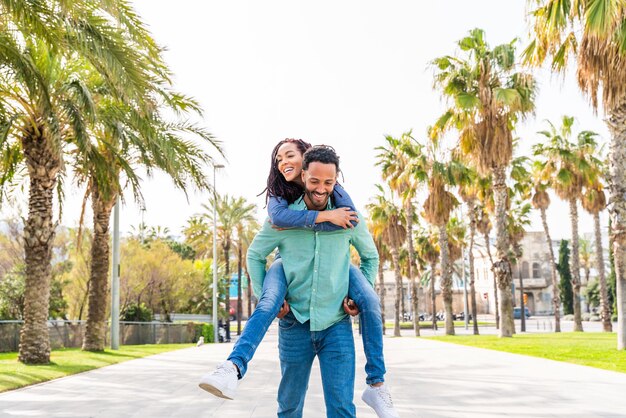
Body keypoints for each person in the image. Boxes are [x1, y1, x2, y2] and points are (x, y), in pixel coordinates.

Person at [199, 141, 399, 418]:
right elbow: (255, 255)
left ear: (336, 181)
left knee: (342, 408)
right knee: (289, 407)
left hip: (335, 326)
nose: (321, 188)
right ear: (303, 175)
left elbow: (370, 257)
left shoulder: (348, 218)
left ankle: (377, 385)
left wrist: (356, 294)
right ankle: (231, 368)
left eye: (328, 182)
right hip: (295, 325)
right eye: (314, 180)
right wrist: (268, 296)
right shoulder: (282, 220)